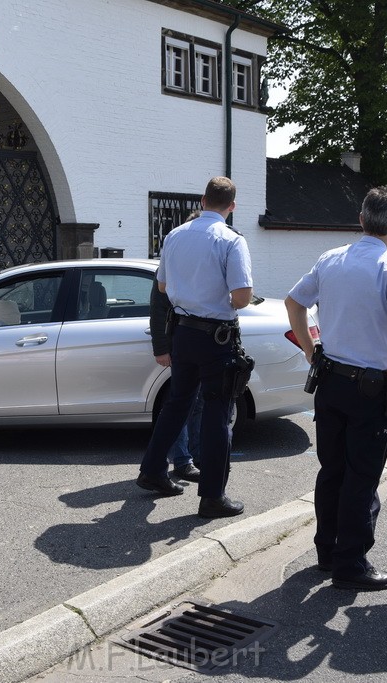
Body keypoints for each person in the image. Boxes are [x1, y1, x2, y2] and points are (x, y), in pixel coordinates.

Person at [285, 186, 387, 591]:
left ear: (362, 219)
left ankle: (327, 552)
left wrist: (311, 352)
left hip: (330, 380)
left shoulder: (331, 259)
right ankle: (351, 564)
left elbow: (294, 304)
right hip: (369, 389)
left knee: (332, 471)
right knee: (362, 476)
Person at [136, 176, 253, 518]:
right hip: (216, 335)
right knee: (217, 412)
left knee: (177, 404)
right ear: (231, 207)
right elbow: (242, 298)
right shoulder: (231, 240)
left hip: (182, 331)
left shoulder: (175, 235)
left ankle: (153, 470)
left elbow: (162, 287)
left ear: (202, 201)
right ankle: (212, 496)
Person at [149, 268, 202, 483]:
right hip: (180, 343)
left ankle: (196, 456)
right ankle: (182, 461)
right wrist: (161, 348)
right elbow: (158, 308)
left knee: (197, 403)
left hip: (198, 342)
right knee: (181, 404)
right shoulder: (169, 266)